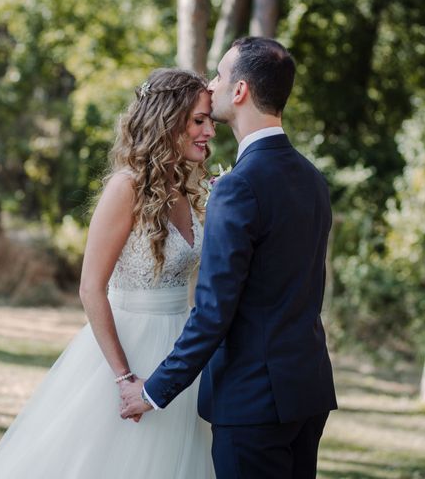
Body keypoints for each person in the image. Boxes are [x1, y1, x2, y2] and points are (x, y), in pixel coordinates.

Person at [0, 68, 216, 478]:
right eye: (198, 120)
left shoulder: (190, 188)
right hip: (128, 347)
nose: (209, 130)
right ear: (167, 121)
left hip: (180, 345)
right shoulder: (126, 187)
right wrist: (123, 376)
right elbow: (90, 288)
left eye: (209, 120)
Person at [121, 37, 338, 479]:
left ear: (239, 92)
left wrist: (156, 391)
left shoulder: (240, 186)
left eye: (219, 76)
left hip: (253, 400)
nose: (212, 84)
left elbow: (214, 310)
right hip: (307, 390)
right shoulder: (311, 178)